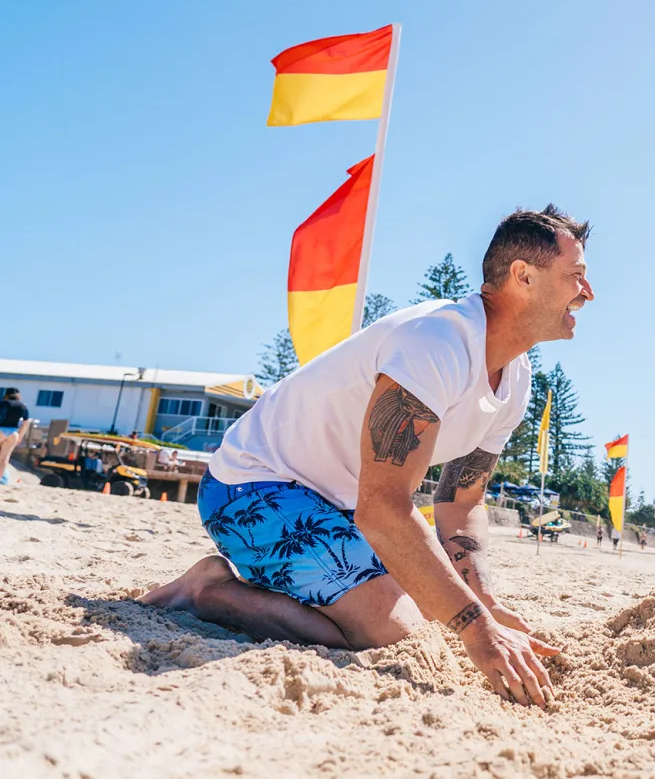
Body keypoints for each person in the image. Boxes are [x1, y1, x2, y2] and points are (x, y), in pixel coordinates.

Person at [140, 206, 595, 708]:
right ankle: (209, 591)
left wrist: (483, 602)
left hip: (335, 506)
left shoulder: (516, 377)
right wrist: (477, 631)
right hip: (251, 486)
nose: (587, 292)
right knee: (392, 628)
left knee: (431, 603)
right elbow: (383, 508)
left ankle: (290, 585)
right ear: (523, 276)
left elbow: (461, 499)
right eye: (575, 276)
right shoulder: (437, 342)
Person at [0, 388, 31, 474]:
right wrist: (20, 436)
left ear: (6, 395)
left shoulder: (2, 403)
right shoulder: (23, 406)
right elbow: (26, 422)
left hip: (1, 429)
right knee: (4, 458)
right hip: (14, 433)